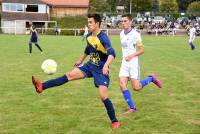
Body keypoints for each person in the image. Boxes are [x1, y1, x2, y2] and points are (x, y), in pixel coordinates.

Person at [32, 13, 120, 129]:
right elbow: (88, 49)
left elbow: (112, 53)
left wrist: (106, 66)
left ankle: (114, 121)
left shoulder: (103, 37)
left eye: (90, 22)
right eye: (88, 22)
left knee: (103, 96)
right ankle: (42, 86)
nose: (88, 24)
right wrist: (81, 60)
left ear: (97, 23)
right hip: (90, 65)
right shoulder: (89, 35)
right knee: (69, 75)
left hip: (101, 69)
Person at [119, 14, 162, 114]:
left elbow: (142, 50)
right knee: (122, 84)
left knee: (136, 87)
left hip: (133, 63)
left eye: (125, 21)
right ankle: (132, 108)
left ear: (130, 22)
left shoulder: (135, 34)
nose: (123, 23)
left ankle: (151, 78)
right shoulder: (121, 33)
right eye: (122, 21)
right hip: (124, 63)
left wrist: (132, 55)